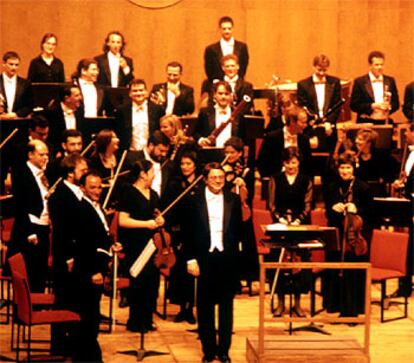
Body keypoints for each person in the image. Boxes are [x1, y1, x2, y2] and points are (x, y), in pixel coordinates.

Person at [186, 162, 241, 363]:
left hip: (226, 258)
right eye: (213, 177)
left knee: (227, 306)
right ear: (205, 179)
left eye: (221, 177)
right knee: (204, 307)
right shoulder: (194, 201)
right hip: (204, 258)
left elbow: (239, 233)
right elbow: (188, 233)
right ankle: (208, 350)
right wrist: (191, 259)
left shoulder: (234, 200)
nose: (218, 180)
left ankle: (224, 350)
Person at [71, 171, 121, 362]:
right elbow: (83, 244)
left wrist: (111, 245)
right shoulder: (82, 209)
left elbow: (99, 235)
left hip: (95, 268)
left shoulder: (95, 207)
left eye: (100, 187)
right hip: (88, 272)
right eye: (92, 187)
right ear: (82, 188)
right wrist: (94, 271)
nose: (97, 191)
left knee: (92, 318)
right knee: (88, 319)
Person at [117, 159, 165, 333]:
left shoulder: (153, 194)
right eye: (152, 171)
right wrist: (146, 224)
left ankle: (147, 318)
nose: (154, 175)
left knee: (151, 283)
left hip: (152, 245)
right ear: (143, 174)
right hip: (135, 244)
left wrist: (160, 220)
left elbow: (156, 215)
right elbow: (123, 221)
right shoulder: (129, 192)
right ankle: (135, 320)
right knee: (138, 283)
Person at [48, 153, 88, 357]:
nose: (85, 173)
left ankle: (71, 342)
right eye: (82, 170)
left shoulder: (75, 192)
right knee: (63, 300)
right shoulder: (60, 195)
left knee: (73, 301)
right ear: (71, 173)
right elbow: (63, 230)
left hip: (75, 256)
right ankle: (59, 345)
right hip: (66, 257)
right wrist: (70, 257)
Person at [323, 151, 372, 320]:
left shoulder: (363, 187)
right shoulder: (331, 186)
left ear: (354, 168)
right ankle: (335, 306)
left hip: (354, 237)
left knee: (352, 271)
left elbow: (371, 213)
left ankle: (353, 310)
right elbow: (328, 214)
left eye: (348, 167)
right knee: (335, 268)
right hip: (337, 234)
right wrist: (333, 209)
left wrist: (356, 209)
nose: (344, 171)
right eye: (342, 167)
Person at [267, 148, 313, 316]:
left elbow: (308, 204)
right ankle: (280, 303)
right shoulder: (275, 179)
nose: (291, 166)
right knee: (279, 264)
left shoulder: (306, 180)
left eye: (294, 162)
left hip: (299, 225)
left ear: (298, 162)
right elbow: (271, 204)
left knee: (299, 265)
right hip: (280, 225)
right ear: (283, 163)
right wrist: (280, 218)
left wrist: (298, 220)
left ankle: (298, 303)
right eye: (287, 163)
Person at [6, 140, 50, 292]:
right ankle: (26, 312)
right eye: (41, 154)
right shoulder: (21, 171)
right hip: (29, 228)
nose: (45, 158)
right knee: (29, 272)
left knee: (40, 272)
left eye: (47, 154)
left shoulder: (45, 172)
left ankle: (38, 308)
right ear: (30, 155)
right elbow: (20, 204)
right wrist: (30, 231)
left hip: (44, 225)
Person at [164, 151, 200, 324]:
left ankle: (191, 307)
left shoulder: (201, 183)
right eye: (182, 164)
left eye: (189, 163)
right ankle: (181, 308)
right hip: (180, 232)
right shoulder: (174, 184)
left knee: (194, 272)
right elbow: (168, 208)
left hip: (198, 232)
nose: (185, 167)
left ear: (195, 165)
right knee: (179, 271)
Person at [223, 137, 258, 284]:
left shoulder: (247, 171)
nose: (228, 156)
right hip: (227, 212)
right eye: (226, 152)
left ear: (239, 154)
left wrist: (243, 183)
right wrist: (229, 181)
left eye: (232, 152)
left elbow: (250, 195)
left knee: (246, 242)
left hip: (243, 211)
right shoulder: (221, 170)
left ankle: (248, 276)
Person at [297, 54, 342, 152]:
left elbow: (337, 105)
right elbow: (302, 106)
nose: (321, 73)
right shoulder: (303, 84)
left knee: (330, 157)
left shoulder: (335, 82)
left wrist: (329, 122)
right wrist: (315, 120)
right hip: (310, 127)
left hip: (329, 127)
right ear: (313, 67)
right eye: (319, 70)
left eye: (324, 70)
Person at [257, 108, 312, 178]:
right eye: (303, 122)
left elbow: (308, 167)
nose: (306, 125)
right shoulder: (272, 138)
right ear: (292, 122)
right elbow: (262, 163)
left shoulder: (304, 140)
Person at [350, 50, 399, 124]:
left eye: (382, 64)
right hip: (366, 122)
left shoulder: (390, 81)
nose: (380, 67)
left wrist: (389, 107)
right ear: (370, 65)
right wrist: (372, 106)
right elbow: (354, 105)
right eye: (376, 65)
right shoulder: (360, 82)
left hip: (385, 122)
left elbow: (396, 103)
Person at [115, 79, 165, 151]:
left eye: (141, 90)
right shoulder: (122, 111)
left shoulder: (157, 110)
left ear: (146, 92)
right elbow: (119, 134)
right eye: (135, 91)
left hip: (151, 153)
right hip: (129, 153)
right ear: (130, 93)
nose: (138, 93)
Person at [196, 81, 245, 148]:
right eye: (220, 93)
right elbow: (196, 133)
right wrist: (201, 140)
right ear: (214, 95)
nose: (223, 97)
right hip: (211, 152)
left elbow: (243, 137)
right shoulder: (205, 113)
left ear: (231, 96)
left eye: (226, 94)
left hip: (232, 154)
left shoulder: (238, 114)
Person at [204, 16, 249, 82]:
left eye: (229, 28)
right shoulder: (210, 49)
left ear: (233, 29)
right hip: (218, 85)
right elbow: (209, 69)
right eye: (224, 29)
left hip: (237, 85)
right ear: (220, 29)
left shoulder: (242, 47)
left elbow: (243, 66)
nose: (227, 31)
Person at [44, 84, 84, 150]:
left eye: (80, 95)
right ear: (67, 98)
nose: (80, 98)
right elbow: (51, 136)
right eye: (77, 95)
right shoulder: (52, 112)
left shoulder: (80, 110)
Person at [0, 51, 31, 118]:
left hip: (19, 122)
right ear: (4, 64)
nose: (14, 67)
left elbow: (29, 105)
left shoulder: (25, 83)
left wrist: (16, 114)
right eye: (11, 64)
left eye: (16, 65)